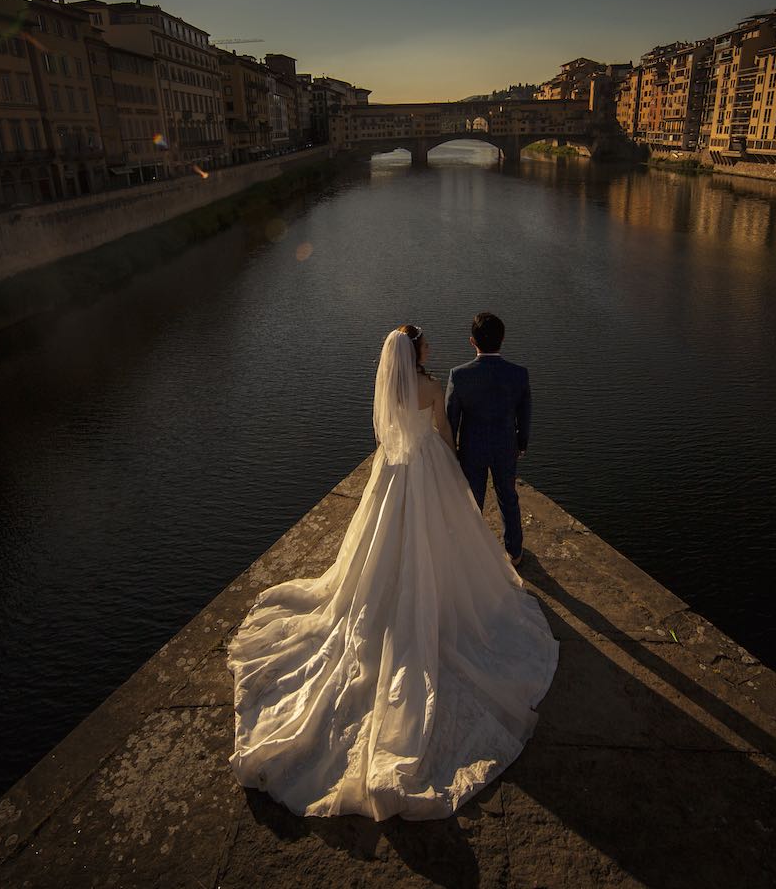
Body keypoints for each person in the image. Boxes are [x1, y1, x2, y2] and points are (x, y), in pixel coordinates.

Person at [227, 325, 558, 820]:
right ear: (415, 351)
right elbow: (444, 432)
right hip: (426, 465)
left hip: (392, 468)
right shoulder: (428, 386)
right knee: (443, 539)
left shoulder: (392, 384)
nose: (429, 349)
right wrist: (450, 466)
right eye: (424, 344)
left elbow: (386, 431)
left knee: (376, 548)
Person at [445, 312, 532, 566]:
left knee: (473, 500)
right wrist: (522, 443)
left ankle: (470, 550)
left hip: (472, 448)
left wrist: (453, 451)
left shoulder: (459, 375)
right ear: (503, 338)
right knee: (508, 496)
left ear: (472, 341)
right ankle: (514, 552)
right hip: (506, 445)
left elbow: (452, 419)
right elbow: (524, 414)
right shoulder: (519, 374)